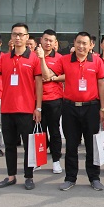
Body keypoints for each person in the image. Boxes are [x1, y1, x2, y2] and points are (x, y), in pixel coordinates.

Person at [0, 23, 42, 191]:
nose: (17, 37)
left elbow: (39, 84)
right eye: (14, 34)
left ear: (27, 37)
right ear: (11, 37)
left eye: (21, 34)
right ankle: (11, 176)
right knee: (10, 145)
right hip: (7, 109)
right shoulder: (4, 58)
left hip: (26, 110)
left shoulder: (34, 58)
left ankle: (28, 176)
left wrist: (38, 107)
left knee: (28, 146)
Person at [41, 31, 104, 191]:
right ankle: (70, 178)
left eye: (85, 43)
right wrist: (42, 58)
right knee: (71, 145)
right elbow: (47, 75)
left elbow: (101, 86)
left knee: (91, 145)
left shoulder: (97, 61)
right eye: (78, 42)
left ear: (91, 45)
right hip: (69, 108)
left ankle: (94, 177)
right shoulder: (64, 60)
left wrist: (103, 108)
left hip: (91, 108)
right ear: (74, 43)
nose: (81, 46)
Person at [35, 29, 64, 175]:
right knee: (39, 131)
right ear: (41, 40)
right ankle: (38, 160)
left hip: (54, 99)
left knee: (54, 131)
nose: (48, 43)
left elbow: (66, 75)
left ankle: (56, 161)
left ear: (55, 43)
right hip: (36, 100)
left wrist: (53, 78)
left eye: (51, 40)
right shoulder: (33, 56)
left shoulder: (59, 58)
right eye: (45, 39)